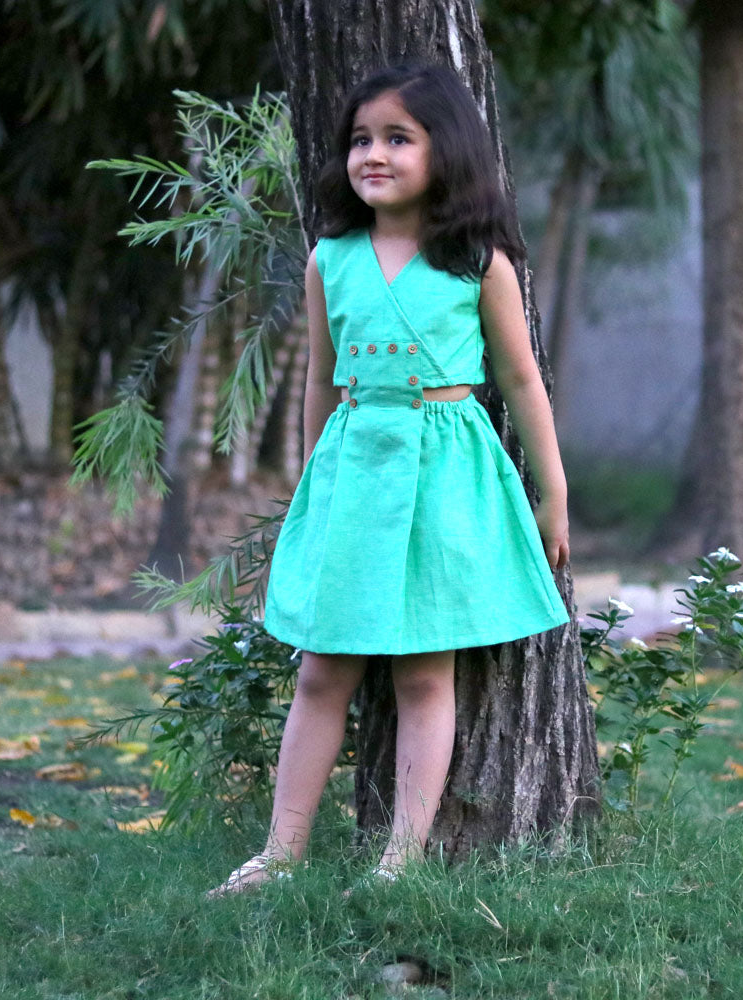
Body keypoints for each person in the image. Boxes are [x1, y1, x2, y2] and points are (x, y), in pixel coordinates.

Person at [207, 63, 570, 897]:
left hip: (444, 479)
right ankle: (280, 854)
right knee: (321, 671)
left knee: (423, 675)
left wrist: (553, 493)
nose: (373, 154)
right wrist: (313, 491)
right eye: (361, 139)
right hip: (355, 475)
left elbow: (521, 381)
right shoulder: (330, 260)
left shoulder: (478, 264)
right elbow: (320, 380)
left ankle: (399, 862)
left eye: (398, 138)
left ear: (448, 151)